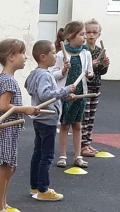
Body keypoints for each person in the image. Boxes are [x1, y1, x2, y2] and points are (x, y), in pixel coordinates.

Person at [0, 39, 37, 212]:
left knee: (11, 168)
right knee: (5, 169)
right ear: (11, 57)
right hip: (5, 131)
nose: (25, 57)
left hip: (11, 131)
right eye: (22, 53)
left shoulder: (7, 78)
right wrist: (25, 109)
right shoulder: (7, 80)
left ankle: (2, 203)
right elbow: (4, 106)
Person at [25, 40, 76, 201]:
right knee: (46, 156)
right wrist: (65, 90)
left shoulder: (35, 73)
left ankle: (35, 186)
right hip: (47, 119)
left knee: (38, 153)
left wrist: (62, 94)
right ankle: (43, 189)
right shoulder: (45, 75)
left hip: (40, 119)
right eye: (53, 53)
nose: (56, 56)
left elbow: (33, 88)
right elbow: (45, 94)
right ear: (43, 57)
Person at [52, 21, 93, 168]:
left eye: (85, 34)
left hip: (80, 95)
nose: (85, 37)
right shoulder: (60, 54)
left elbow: (89, 72)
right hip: (65, 94)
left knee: (78, 125)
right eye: (82, 34)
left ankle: (78, 156)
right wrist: (63, 71)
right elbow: (52, 74)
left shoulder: (85, 53)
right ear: (70, 36)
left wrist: (89, 74)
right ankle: (62, 156)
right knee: (64, 125)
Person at [81, 18, 110, 157]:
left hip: (96, 86)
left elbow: (102, 72)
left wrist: (105, 64)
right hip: (85, 87)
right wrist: (90, 66)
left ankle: (88, 142)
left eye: (94, 32)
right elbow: (82, 70)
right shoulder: (83, 50)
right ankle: (82, 145)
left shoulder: (100, 50)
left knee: (91, 117)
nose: (91, 35)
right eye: (88, 32)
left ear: (99, 34)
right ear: (84, 34)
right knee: (84, 117)